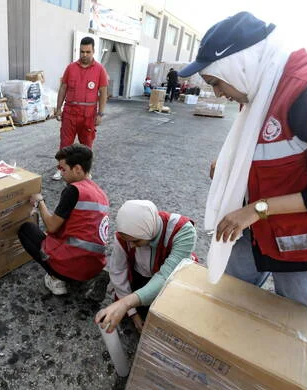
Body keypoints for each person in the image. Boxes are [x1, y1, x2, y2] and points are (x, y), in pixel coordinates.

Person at [179, 11, 307, 390]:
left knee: (302, 338)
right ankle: (234, 379)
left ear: (239, 64)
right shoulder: (263, 85)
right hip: (260, 232)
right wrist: (233, 171)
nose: (219, 94)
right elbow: (278, 153)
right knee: (228, 300)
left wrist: (257, 208)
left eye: (216, 82)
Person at [18, 144, 109, 295]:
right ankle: (89, 277)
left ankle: (56, 278)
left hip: (70, 265)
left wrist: (40, 202)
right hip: (95, 264)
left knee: (26, 230)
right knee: (54, 236)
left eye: (63, 169)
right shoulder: (100, 193)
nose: (61, 173)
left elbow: (52, 226)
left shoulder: (73, 190)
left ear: (77, 169)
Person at [95, 200, 197, 333]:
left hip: (171, 281)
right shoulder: (125, 236)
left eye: (136, 241)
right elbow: (118, 271)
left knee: (169, 318)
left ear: (149, 230)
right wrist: (133, 313)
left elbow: (166, 276)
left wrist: (125, 304)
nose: (131, 246)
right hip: (141, 277)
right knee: (140, 314)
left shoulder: (182, 231)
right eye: (128, 241)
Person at [54, 37, 108, 180]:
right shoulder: (71, 68)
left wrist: (100, 114)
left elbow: (103, 92)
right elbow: (63, 88)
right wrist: (58, 108)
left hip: (88, 115)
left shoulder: (99, 70)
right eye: (82, 51)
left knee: (87, 146)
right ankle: (61, 170)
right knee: (65, 144)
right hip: (70, 113)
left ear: (93, 51)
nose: (84, 55)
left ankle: (85, 172)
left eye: (88, 52)